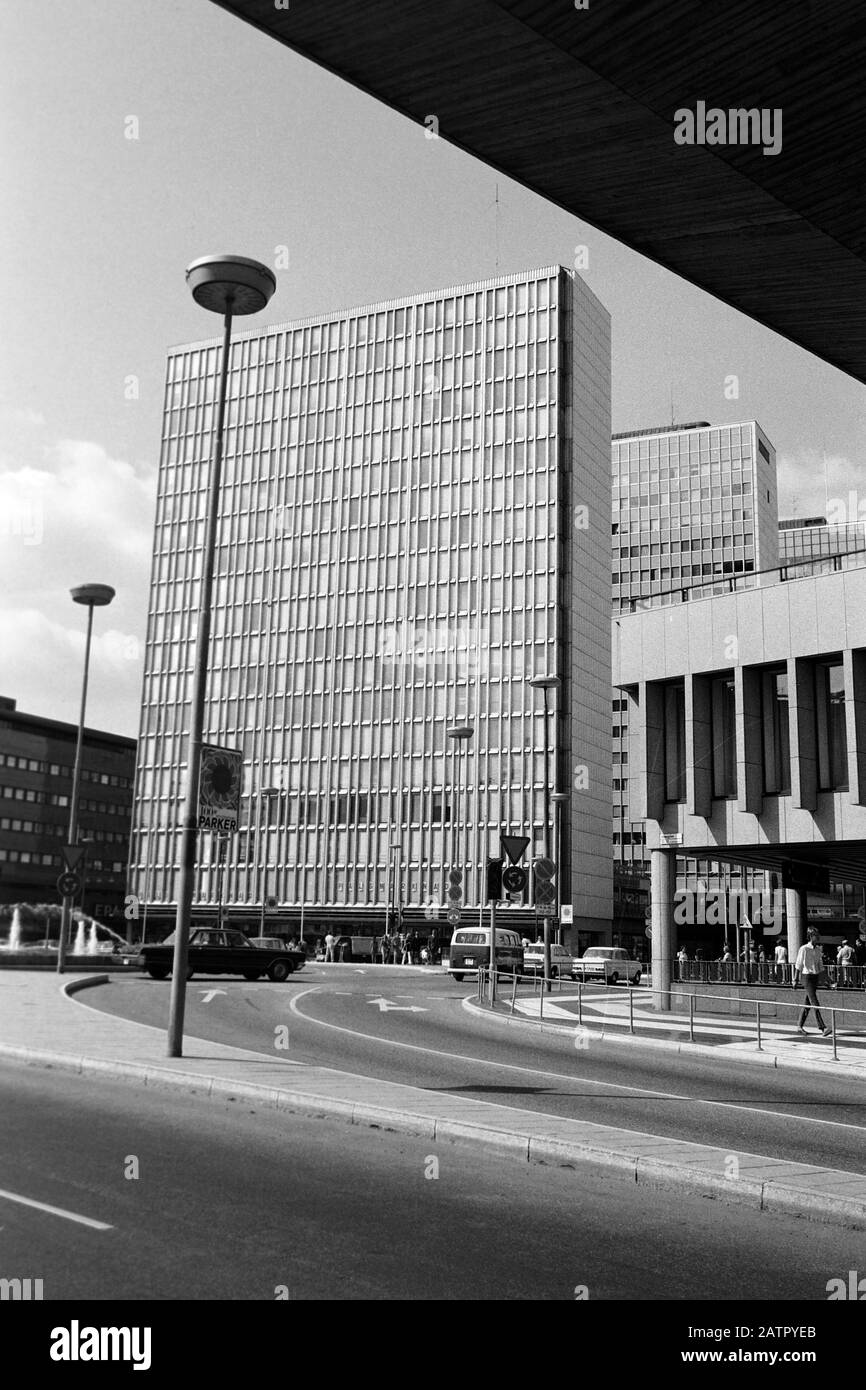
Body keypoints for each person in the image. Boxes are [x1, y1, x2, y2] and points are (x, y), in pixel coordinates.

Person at [794, 927, 832, 1036]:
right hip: (806, 977)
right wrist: (795, 979)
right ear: (810, 936)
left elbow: (820, 967)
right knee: (815, 1002)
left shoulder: (818, 950)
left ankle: (799, 1026)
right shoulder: (804, 949)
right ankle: (823, 1027)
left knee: (808, 1003)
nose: (818, 936)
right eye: (816, 934)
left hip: (814, 977)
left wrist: (827, 980)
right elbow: (798, 965)